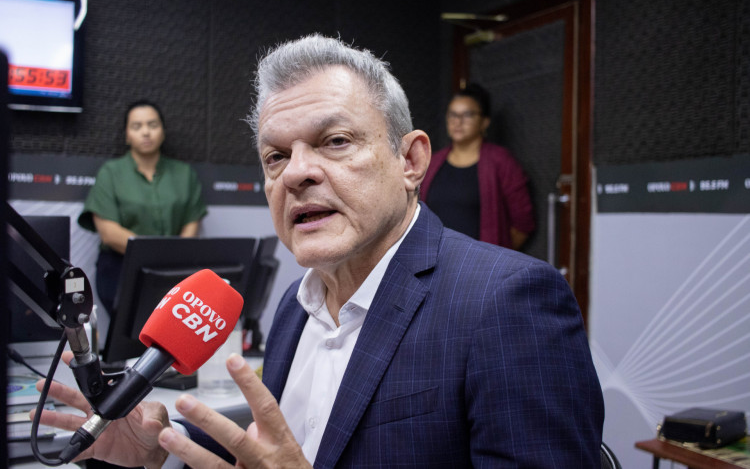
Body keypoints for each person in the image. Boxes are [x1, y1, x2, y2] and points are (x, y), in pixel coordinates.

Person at [38, 35, 603, 468]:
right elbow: (288, 442)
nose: (298, 173)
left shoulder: (508, 302)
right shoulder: (294, 306)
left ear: (410, 162)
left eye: (335, 142)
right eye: (276, 157)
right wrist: (164, 446)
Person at [77, 100, 207, 314]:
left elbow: (191, 225)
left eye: (153, 125)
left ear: (163, 132)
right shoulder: (110, 173)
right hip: (121, 270)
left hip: (173, 270)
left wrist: (172, 259)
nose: (146, 132)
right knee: (127, 340)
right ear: (127, 135)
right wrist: (154, 254)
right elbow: (109, 233)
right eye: (137, 127)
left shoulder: (185, 174)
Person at [420, 84, 535, 250]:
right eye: (452, 114)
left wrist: (495, 256)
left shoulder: (501, 161)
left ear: (484, 122)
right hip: (435, 262)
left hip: (482, 267)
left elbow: (523, 222)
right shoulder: (433, 162)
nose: (457, 122)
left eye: (467, 115)